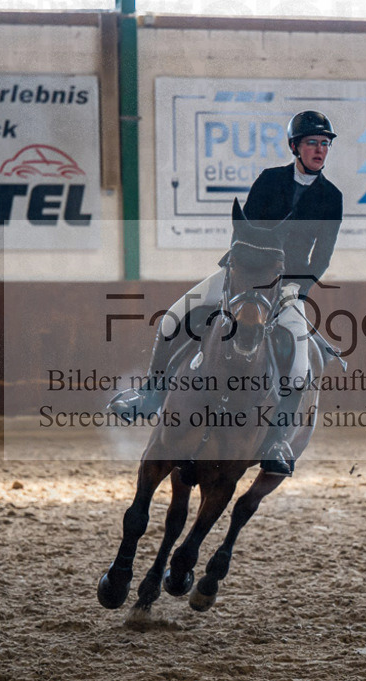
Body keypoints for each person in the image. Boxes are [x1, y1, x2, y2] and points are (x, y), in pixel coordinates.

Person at [108, 110, 343, 476]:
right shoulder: (269, 180)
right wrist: (240, 272)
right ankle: (151, 394)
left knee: (300, 357)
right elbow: (243, 230)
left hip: (286, 284)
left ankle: (277, 440)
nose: (320, 149)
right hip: (243, 273)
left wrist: (299, 287)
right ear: (294, 146)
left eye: (325, 143)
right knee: (173, 316)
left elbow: (323, 255)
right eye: (312, 142)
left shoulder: (332, 197)